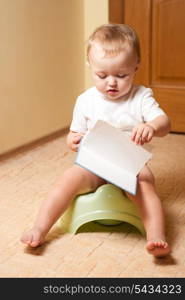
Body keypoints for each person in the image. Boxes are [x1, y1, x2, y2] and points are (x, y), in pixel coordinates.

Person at [21, 24, 171, 258]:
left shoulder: (141, 97)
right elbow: (73, 135)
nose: (111, 82)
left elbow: (164, 122)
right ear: (91, 68)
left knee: (145, 184)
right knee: (68, 179)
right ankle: (40, 227)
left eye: (121, 75)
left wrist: (151, 126)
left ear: (135, 68)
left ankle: (156, 236)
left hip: (129, 165)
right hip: (94, 163)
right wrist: (74, 141)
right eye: (102, 75)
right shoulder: (85, 100)